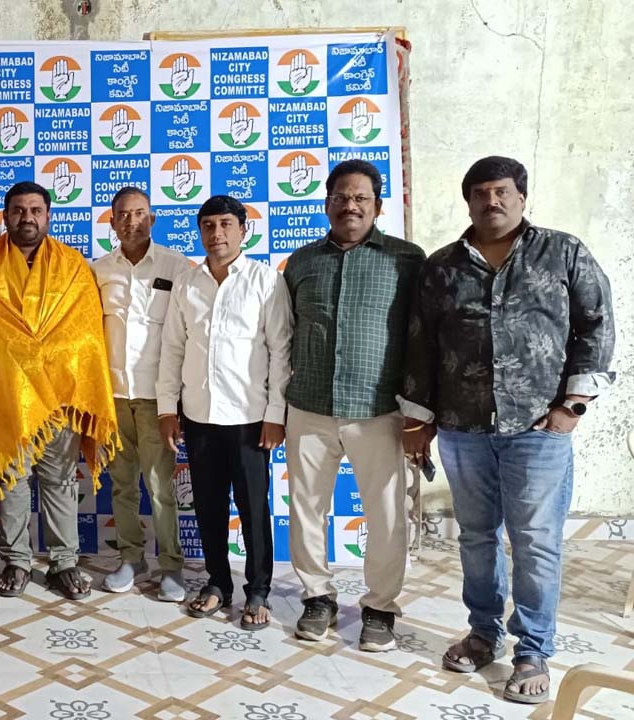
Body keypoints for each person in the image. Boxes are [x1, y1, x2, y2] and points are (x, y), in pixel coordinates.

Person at [401, 156, 615, 704]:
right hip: (463, 426)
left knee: (535, 541)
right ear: (468, 201)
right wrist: (419, 418)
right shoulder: (443, 266)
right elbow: (422, 343)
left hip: (538, 428)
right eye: (480, 193)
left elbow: (596, 325)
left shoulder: (562, 252)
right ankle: (483, 633)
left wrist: (573, 406)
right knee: (476, 535)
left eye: (501, 191)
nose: (491, 201)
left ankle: (533, 650)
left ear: (521, 196)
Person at [283, 159, 425, 651]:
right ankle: (316, 595)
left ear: (378, 206)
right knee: (306, 508)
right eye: (341, 197)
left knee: (386, 514)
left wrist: (419, 411)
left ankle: (381, 606)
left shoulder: (407, 260)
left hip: (379, 408)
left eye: (361, 198)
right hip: (309, 405)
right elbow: (285, 333)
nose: (350, 206)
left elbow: (421, 337)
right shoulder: (302, 262)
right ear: (327, 203)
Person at [0, 181, 120, 600]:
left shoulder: (73, 266)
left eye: (35, 210)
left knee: (60, 480)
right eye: (18, 210)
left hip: (60, 400)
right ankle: (16, 561)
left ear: (48, 216)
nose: (27, 217)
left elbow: (84, 334)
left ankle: (64, 563)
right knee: (11, 481)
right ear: (5, 216)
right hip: (6, 396)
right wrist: (25, 363)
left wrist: (44, 367)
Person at [158, 195, 292, 629]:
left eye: (226, 225)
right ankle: (218, 583)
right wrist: (167, 408)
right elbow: (172, 349)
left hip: (250, 417)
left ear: (242, 230)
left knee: (253, 509)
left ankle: (258, 591)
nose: (216, 233)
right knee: (208, 507)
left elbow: (281, 351)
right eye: (208, 225)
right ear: (200, 231)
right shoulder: (187, 283)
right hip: (198, 417)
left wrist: (276, 413)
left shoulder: (265, 281)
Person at [91, 187, 190, 601]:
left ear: (152, 218)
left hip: (157, 399)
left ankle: (172, 566)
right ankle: (131, 559)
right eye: (123, 215)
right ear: (112, 221)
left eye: (140, 213)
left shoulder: (176, 266)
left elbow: (186, 335)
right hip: (113, 397)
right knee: (122, 485)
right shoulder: (99, 270)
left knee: (161, 487)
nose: (132, 221)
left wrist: (175, 403)